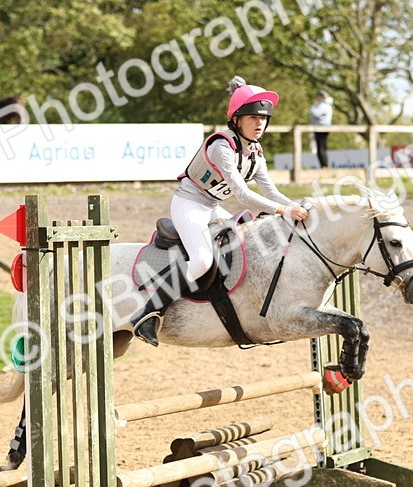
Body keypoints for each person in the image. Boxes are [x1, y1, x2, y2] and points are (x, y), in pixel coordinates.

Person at [129, 76, 309, 346]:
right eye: (252, 117)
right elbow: (243, 194)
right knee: (201, 260)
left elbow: (271, 192)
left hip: (212, 207)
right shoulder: (221, 147)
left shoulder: (255, 153)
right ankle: (148, 314)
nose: (259, 123)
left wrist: (299, 206)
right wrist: (284, 210)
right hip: (189, 204)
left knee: (249, 238)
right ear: (236, 119)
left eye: (263, 118)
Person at [309, 90, 333, 168]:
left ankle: (324, 165)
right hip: (319, 127)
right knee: (320, 147)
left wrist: (312, 109)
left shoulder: (324, 105)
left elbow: (316, 114)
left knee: (321, 148)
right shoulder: (323, 105)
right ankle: (323, 165)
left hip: (322, 127)